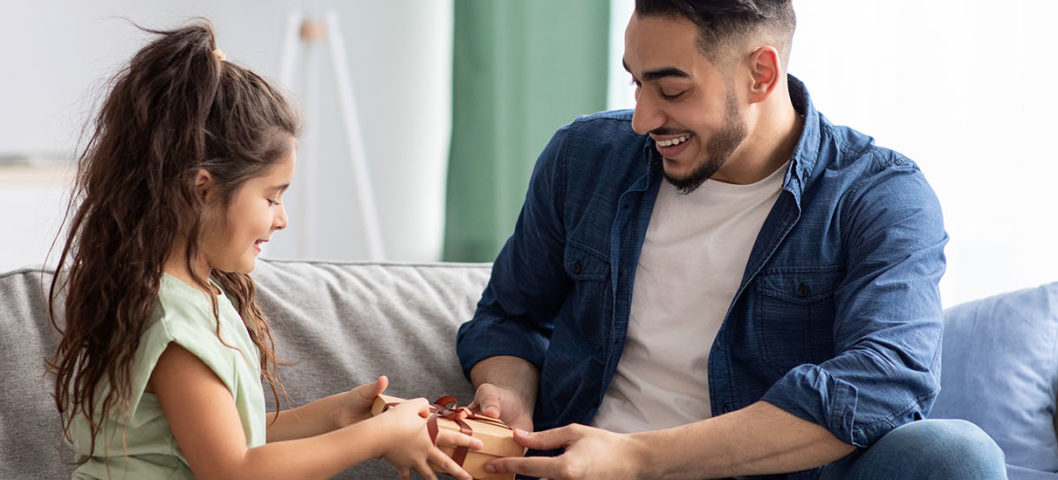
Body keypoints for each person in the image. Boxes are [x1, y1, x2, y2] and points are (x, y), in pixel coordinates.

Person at [456, 1, 1007, 479]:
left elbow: (887, 380)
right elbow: (511, 316)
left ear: (760, 74)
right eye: (636, 81)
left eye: (671, 89)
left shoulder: (876, 195)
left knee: (955, 454)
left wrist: (637, 458)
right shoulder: (584, 158)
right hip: (581, 472)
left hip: (741, 472)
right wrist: (506, 398)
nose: (642, 118)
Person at [47, 22, 480, 480]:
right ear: (203, 192)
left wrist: (337, 417)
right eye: (272, 197)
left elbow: (227, 437)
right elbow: (235, 469)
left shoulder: (195, 295)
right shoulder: (174, 326)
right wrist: (376, 438)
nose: (282, 218)